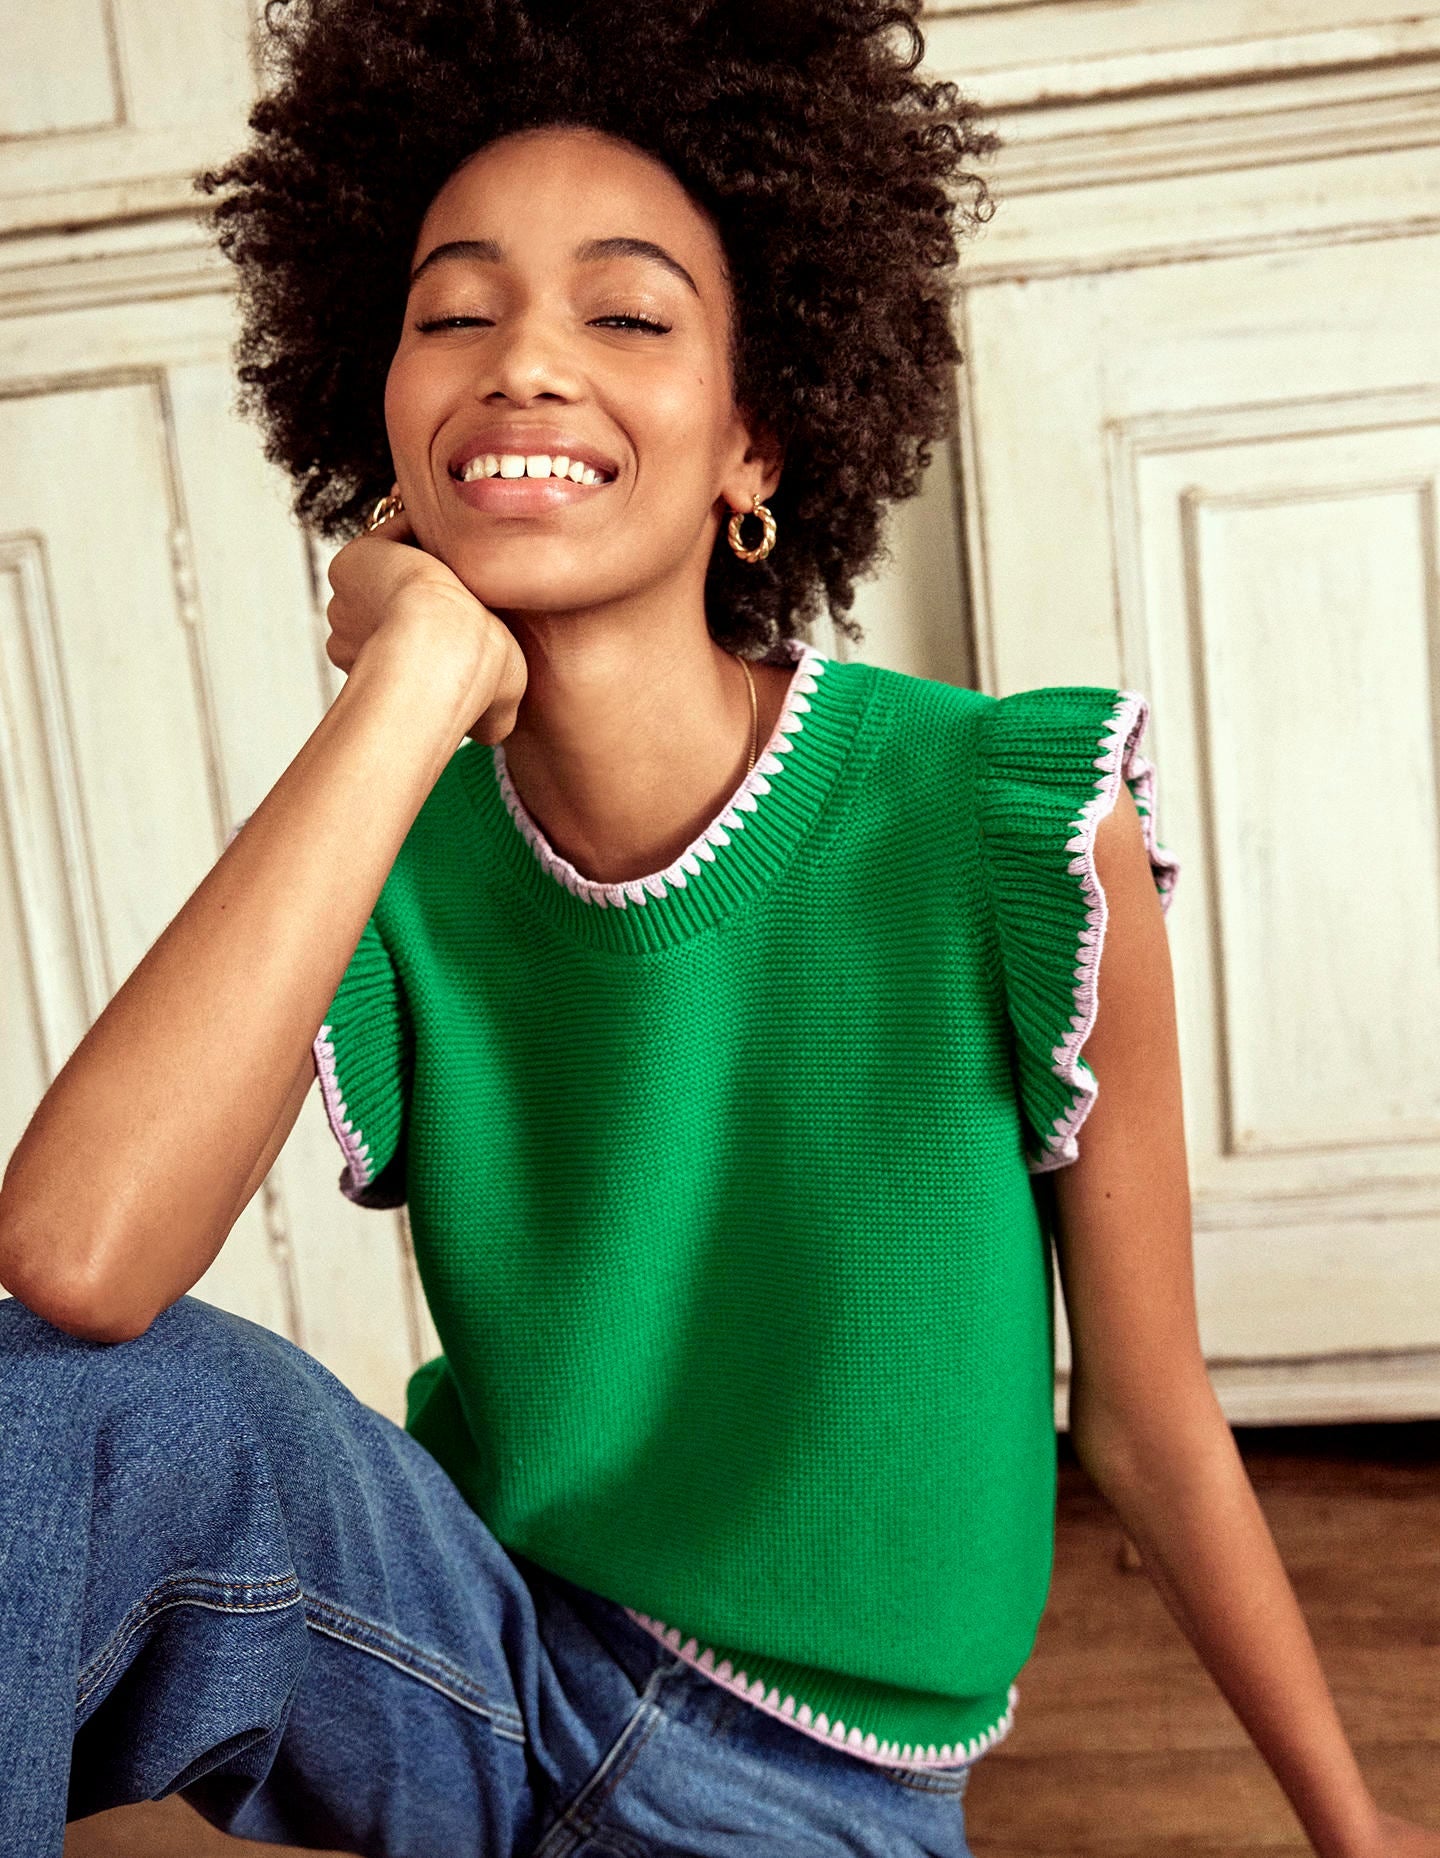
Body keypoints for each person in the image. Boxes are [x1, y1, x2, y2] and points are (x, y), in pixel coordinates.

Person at [0, 2, 1433, 1854]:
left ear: (756, 440)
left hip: (815, 1798)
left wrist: (1356, 1832)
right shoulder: (383, 837)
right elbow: (77, 1265)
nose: (527, 360)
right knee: (51, 1413)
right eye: (454, 313)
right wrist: (405, 684)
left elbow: (1150, 1422)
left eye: (625, 314)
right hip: (476, 1659)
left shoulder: (1003, 824)